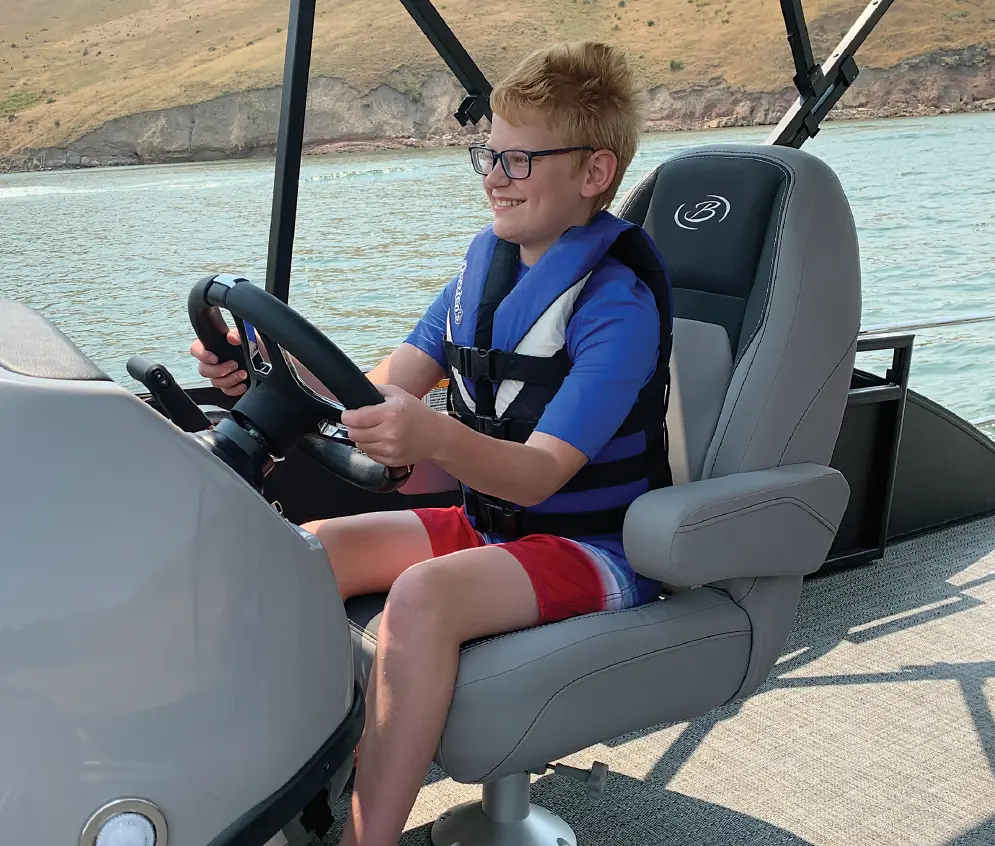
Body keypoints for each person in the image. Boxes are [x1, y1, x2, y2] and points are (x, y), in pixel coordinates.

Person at [190, 40, 673, 846]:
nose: (493, 176)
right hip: (490, 523)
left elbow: (541, 474)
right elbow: (379, 389)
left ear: (593, 173)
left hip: (595, 545)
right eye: (489, 154)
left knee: (422, 597)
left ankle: (363, 839)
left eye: (520, 161)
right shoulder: (479, 277)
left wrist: (436, 434)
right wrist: (261, 373)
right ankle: (274, 777)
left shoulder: (617, 309)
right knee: (306, 552)